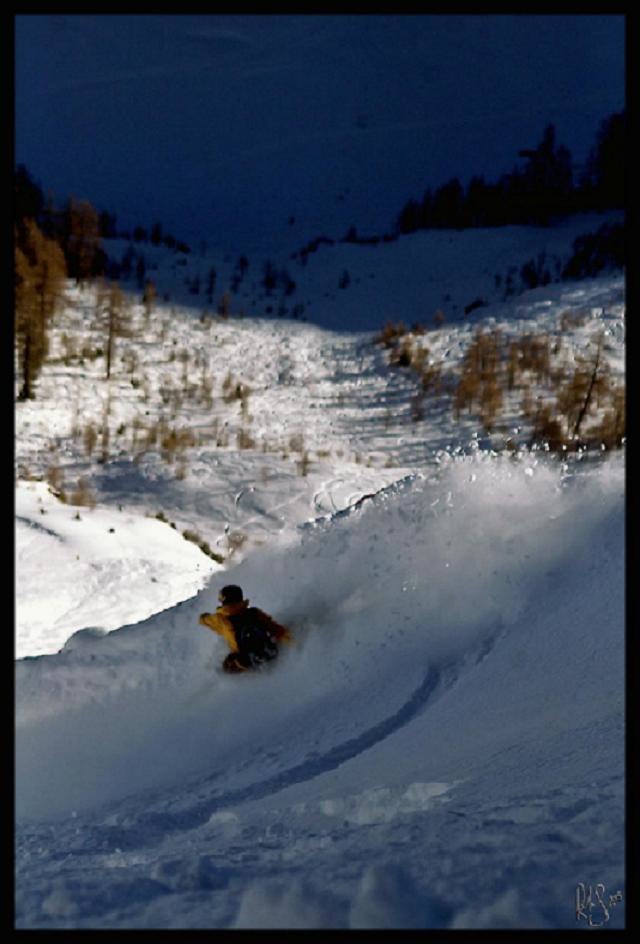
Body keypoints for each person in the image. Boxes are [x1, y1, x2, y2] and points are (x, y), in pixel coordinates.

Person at [199, 584, 292, 674]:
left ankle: (237, 671)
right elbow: (275, 628)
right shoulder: (254, 612)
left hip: (242, 658)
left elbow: (203, 620)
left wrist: (204, 616)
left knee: (226, 664)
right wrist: (288, 638)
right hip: (265, 650)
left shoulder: (220, 619)